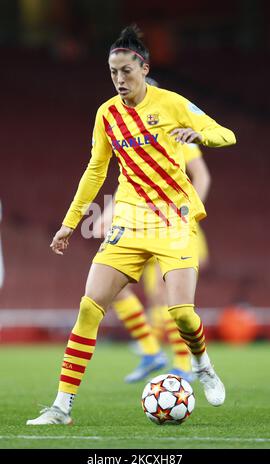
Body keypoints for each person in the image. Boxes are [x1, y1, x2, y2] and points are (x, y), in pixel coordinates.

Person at [27, 25, 236, 425]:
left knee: (181, 314)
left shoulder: (171, 103)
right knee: (89, 308)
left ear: (143, 67)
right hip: (129, 218)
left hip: (174, 218)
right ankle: (61, 407)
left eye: (126, 71)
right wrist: (70, 224)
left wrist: (203, 136)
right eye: (112, 72)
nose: (119, 79)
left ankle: (201, 362)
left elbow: (225, 132)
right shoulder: (107, 114)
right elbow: (94, 172)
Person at [93, 139, 210, 384]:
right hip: (138, 227)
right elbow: (129, 184)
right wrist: (106, 214)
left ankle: (182, 363)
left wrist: (186, 213)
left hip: (174, 228)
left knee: (165, 294)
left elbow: (202, 176)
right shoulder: (138, 138)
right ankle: (151, 350)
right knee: (114, 290)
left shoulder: (175, 136)